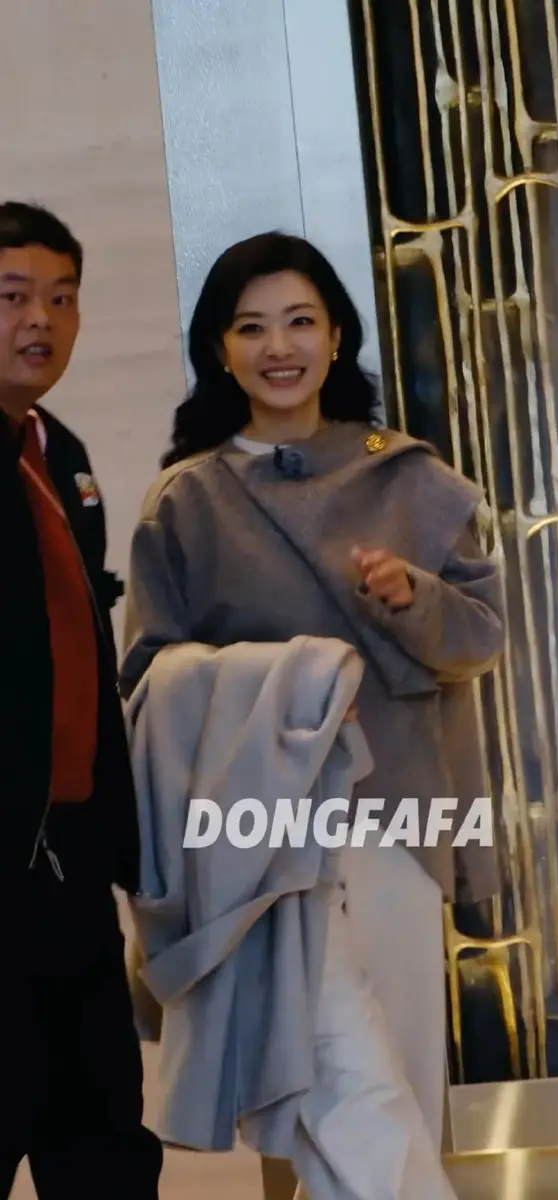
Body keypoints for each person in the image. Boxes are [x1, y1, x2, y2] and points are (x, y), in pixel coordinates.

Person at [120, 231, 505, 1197]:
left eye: (299, 321)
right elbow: (148, 681)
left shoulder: (408, 475)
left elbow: (477, 642)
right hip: (260, 827)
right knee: (296, 1084)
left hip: (395, 811)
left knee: (396, 1075)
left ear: (337, 336)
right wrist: (280, 680)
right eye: (251, 327)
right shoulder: (188, 499)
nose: (278, 347)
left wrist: (411, 596)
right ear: (219, 349)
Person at [0, 201, 163, 1198]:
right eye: (12, 296)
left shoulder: (59, 452)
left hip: (69, 867)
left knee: (102, 1144)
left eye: (62, 299)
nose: (41, 322)